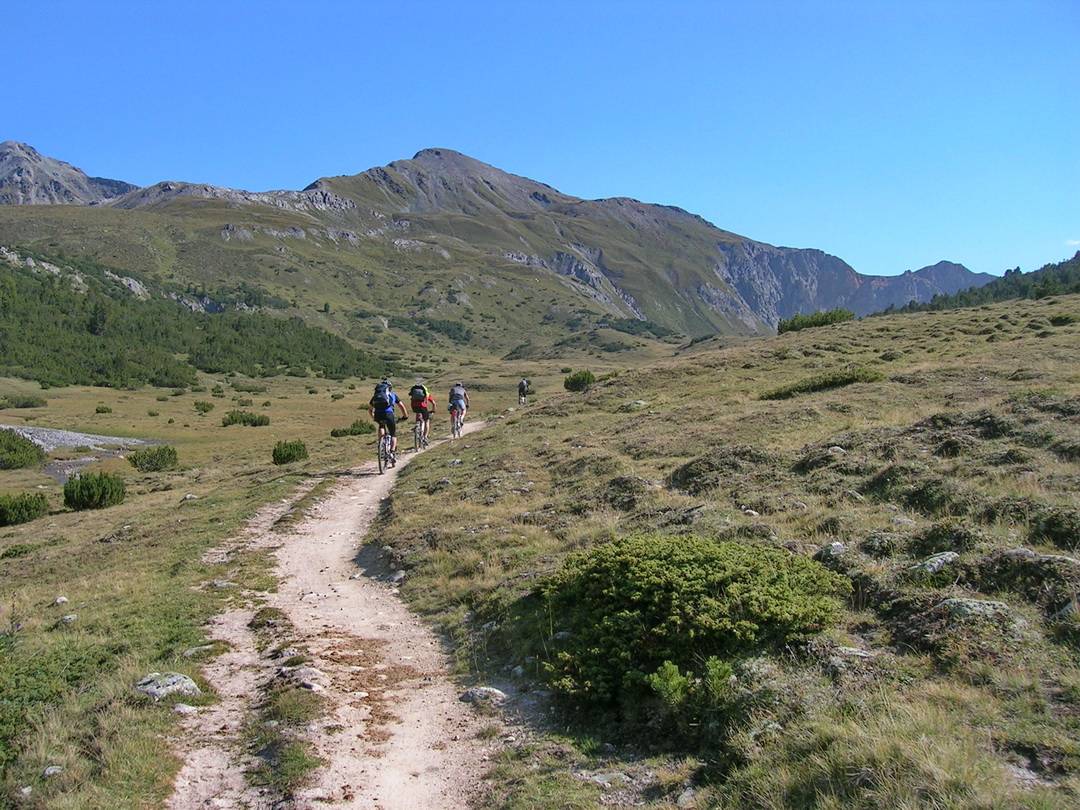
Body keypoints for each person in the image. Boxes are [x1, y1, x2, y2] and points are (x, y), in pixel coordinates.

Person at [369, 378, 408, 460]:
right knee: (393, 434)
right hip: (389, 414)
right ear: (390, 388)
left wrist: (373, 417)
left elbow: (370, 409)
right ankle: (392, 452)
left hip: (378, 414)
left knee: (381, 426)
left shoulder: (375, 396)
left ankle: (381, 445)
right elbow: (401, 406)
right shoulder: (393, 395)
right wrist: (405, 416)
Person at [408, 381, 436, 447]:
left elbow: (410, 396)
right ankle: (425, 437)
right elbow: (434, 403)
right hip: (423, 406)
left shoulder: (413, 390)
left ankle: (417, 425)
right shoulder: (426, 393)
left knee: (418, 413)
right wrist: (433, 410)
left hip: (414, 406)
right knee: (426, 420)